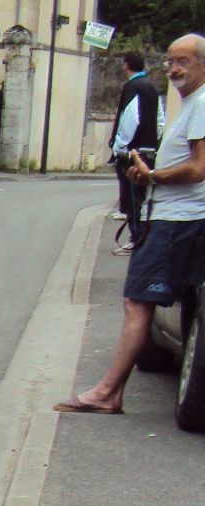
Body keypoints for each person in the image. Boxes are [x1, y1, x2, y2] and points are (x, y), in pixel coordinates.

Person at [57, 34, 205, 416]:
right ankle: (110, 391)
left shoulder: (202, 103)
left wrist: (152, 175)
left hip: (177, 220)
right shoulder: (191, 103)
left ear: (202, 64)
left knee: (137, 303)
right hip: (170, 215)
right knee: (138, 303)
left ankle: (108, 392)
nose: (174, 68)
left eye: (183, 61)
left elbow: (199, 168)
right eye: (171, 61)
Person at [110, 52, 163, 254]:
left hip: (134, 151)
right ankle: (143, 238)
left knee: (134, 197)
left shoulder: (131, 87)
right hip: (150, 149)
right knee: (145, 197)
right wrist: (156, 140)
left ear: (126, 66)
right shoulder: (153, 86)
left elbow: (130, 118)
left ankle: (135, 239)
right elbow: (160, 118)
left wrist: (120, 147)